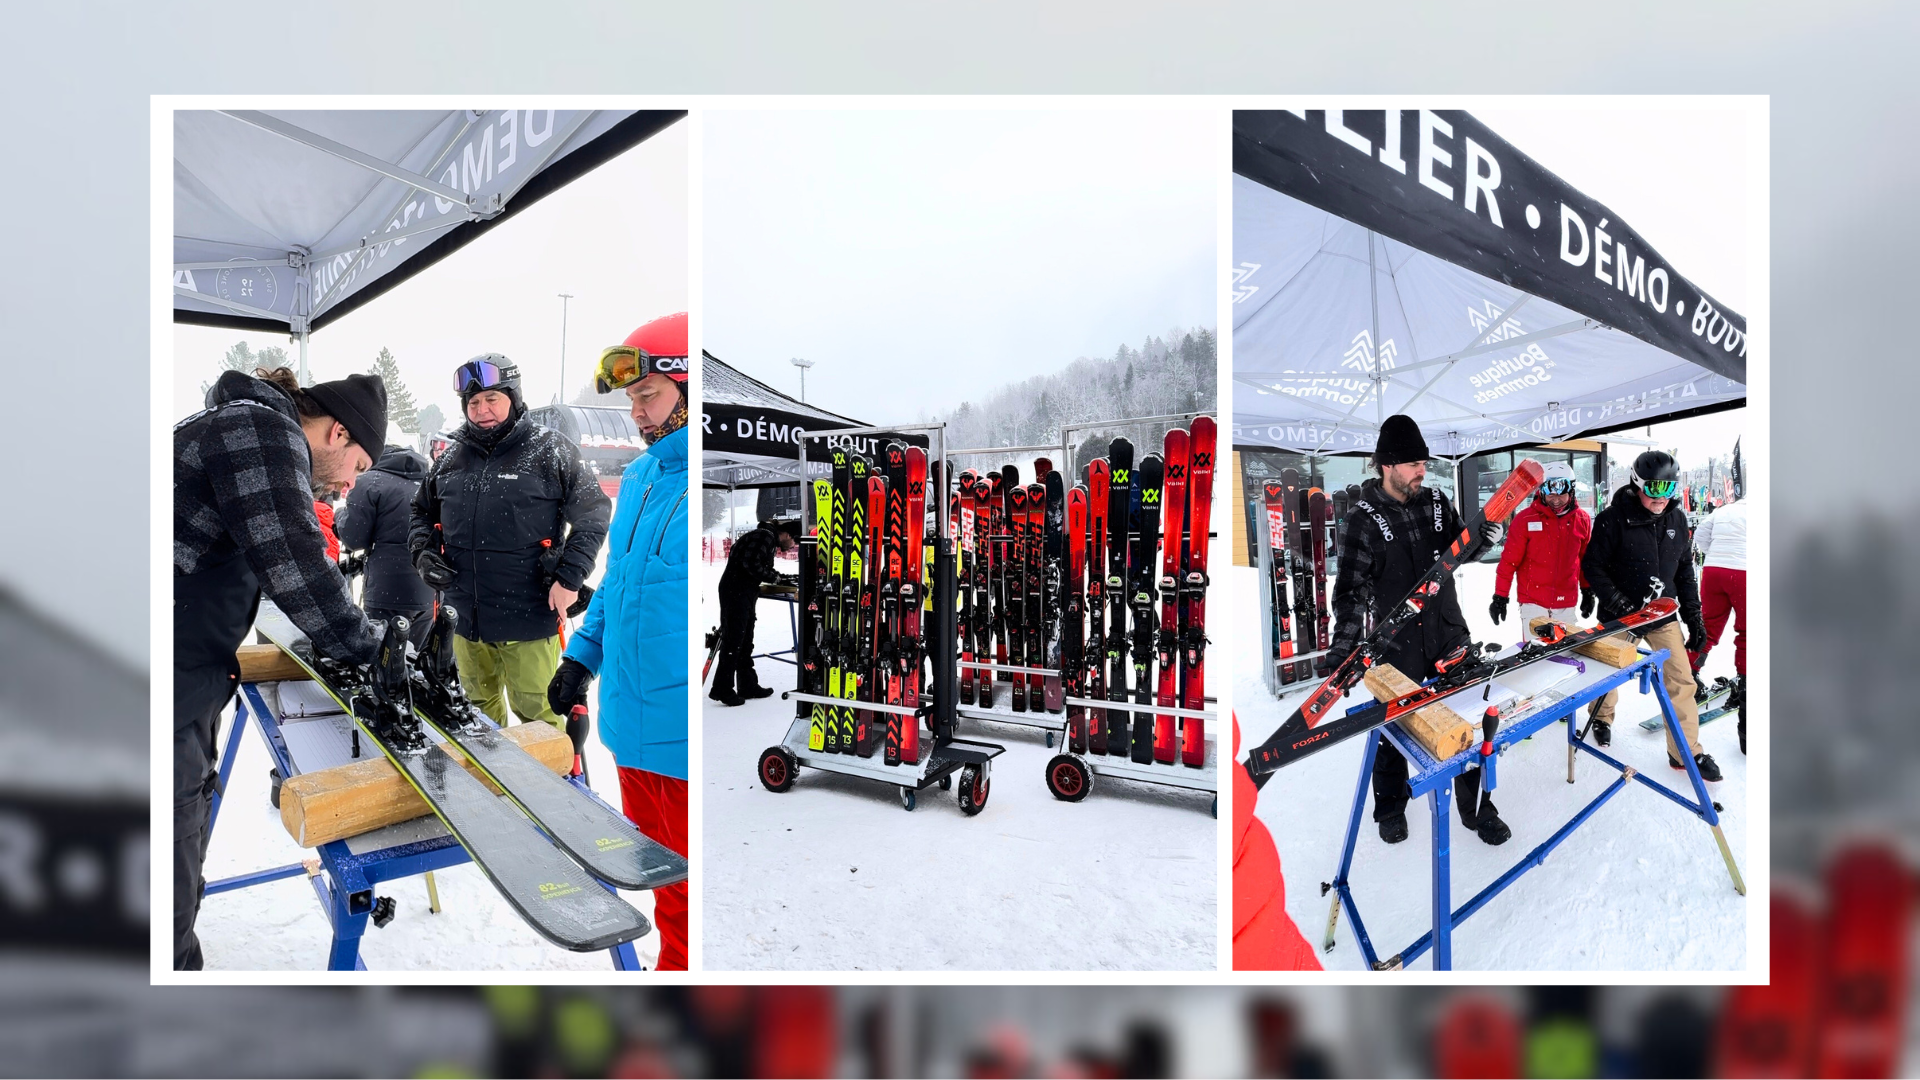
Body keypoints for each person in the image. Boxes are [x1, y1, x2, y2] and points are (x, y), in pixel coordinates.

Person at [174, 366, 385, 970]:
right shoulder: (259, 427)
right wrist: (368, 648)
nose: (349, 485)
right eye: (359, 467)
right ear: (337, 434)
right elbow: (292, 561)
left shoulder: (241, 424)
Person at [546, 312, 691, 970]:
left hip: (682, 736)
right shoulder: (639, 479)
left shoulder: (697, 483)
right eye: (630, 398)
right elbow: (618, 583)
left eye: (648, 394)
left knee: (692, 889)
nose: (636, 411)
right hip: (629, 726)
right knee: (657, 876)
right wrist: (581, 656)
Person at [1325, 415, 1508, 847]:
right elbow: (1350, 593)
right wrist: (1343, 651)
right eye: (1412, 464)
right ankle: (1390, 807)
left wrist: (1483, 539)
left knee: (1466, 718)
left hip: (1447, 629)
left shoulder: (1437, 502)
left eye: (1423, 462)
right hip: (1396, 640)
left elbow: (1460, 549)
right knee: (1393, 728)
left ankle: (1479, 808)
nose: (1422, 471)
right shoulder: (1360, 521)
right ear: (1386, 465)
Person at [408, 355, 610, 730]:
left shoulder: (549, 450)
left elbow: (594, 513)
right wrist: (422, 552)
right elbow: (419, 513)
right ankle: (492, 783)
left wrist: (569, 578)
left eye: (491, 400)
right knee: (477, 712)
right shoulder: (450, 458)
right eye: (473, 403)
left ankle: (551, 785)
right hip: (466, 620)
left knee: (538, 715)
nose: (482, 411)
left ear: (513, 399)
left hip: (529, 618)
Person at [1581, 451, 1718, 779]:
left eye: (1668, 489)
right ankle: (1601, 717)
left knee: (1682, 680)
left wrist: (1693, 616)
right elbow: (1593, 566)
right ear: (1638, 484)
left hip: (1661, 613)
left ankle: (1685, 751)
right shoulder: (1611, 519)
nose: (1661, 498)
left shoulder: (1677, 520)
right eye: (1654, 489)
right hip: (1621, 613)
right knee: (1607, 672)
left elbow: (1684, 571)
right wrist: (1618, 602)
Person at [337, 443, 436, 650]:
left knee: (384, 658)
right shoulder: (430, 483)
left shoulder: (368, 482)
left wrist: (338, 518)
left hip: (387, 590)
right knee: (413, 660)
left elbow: (354, 539)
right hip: (428, 588)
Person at [1490, 461, 1594, 640]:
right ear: (1541, 491)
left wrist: (1587, 591)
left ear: (1572, 491)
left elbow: (1586, 561)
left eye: (1561, 494)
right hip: (1533, 601)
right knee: (1536, 655)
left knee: (1565, 653)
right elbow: (1509, 562)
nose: (1555, 499)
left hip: (1566, 601)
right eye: (1549, 493)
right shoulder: (1525, 520)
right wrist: (1500, 597)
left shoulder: (1582, 520)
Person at [710, 519, 800, 706]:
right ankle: (722, 688)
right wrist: (773, 577)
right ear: (789, 535)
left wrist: (779, 577)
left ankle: (747, 685)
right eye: (794, 542)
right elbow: (751, 564)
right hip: (736, 590)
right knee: (734, 640)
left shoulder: (765, 537)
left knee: (744, 639)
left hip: (743, 590)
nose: (793, 547)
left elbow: (757, 565)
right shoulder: (764, 537)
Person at [1688, 481, 1748, 754]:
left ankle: (1688, 677)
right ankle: (1747, 695)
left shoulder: (1725, 510)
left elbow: (1700, 535)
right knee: (1749, 635)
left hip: (1714, 570)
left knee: (1707, 628)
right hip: (1746, 571)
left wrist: (1715, 554)